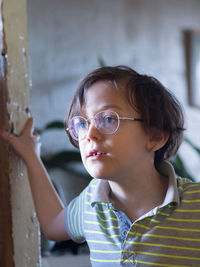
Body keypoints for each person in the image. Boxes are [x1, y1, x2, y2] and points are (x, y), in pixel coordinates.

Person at [1, 65, 200, 266]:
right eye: (82, 124)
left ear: (155, 136)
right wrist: (31, 156)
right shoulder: (90, 203)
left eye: (107, 119)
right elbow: (53, 224)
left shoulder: (195, 204)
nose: (90, 134)